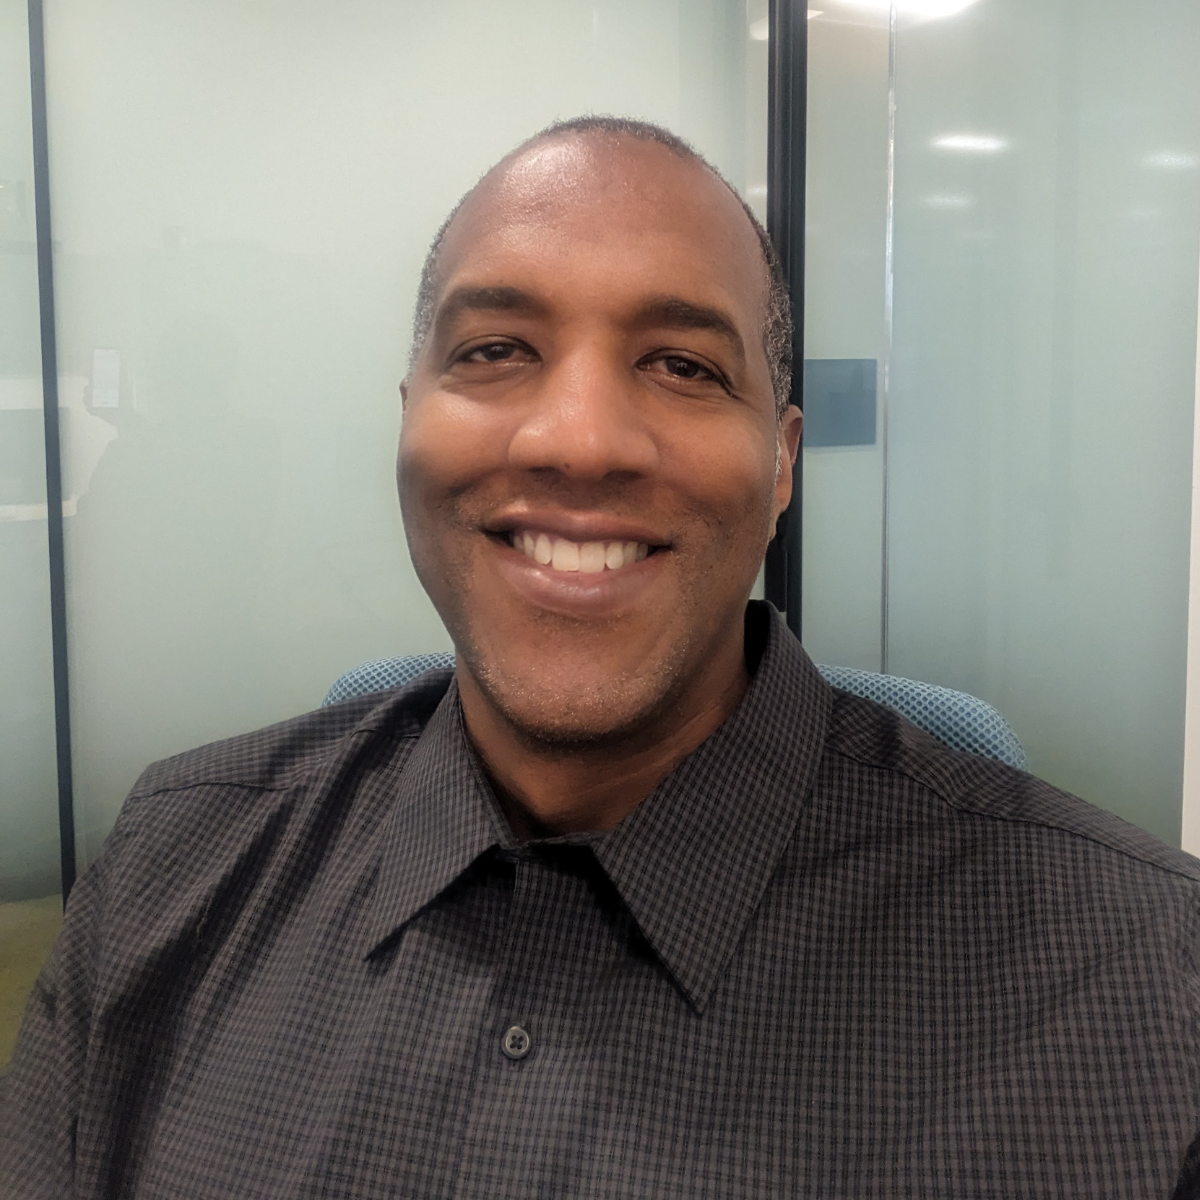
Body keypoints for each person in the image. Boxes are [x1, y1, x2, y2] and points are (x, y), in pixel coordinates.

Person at [2, 116, 1198, 1199]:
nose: (577, 439)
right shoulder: (170, 870)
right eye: (495, 350)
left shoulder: (1145, 994)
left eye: (683, 365)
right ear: (408, 413)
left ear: (782, 466)